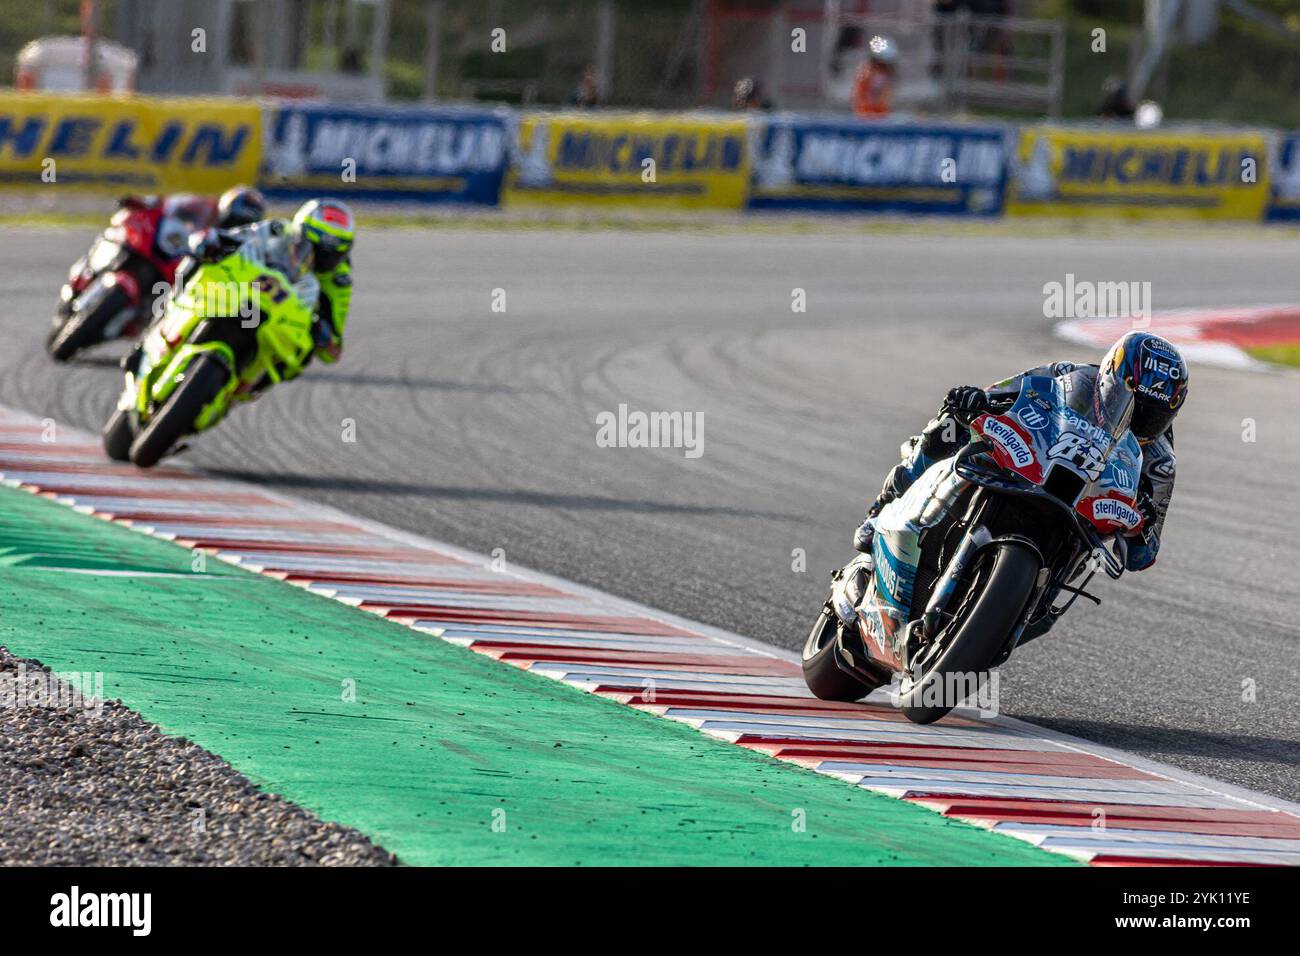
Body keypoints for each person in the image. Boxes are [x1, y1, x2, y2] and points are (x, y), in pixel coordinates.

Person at [852, 331, 1188, 573]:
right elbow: (1002, 393)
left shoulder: (1160, 463)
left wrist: (1141, 520)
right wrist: (973, 402)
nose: (1135, 419)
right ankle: (881, 509)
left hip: (1074, 527)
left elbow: (1141, 557)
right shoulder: (1069, 376)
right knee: (951, 422)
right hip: (1027, 467)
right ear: (1109, 380)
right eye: (1128, 402)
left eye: (1151, 415)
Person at [130, 198, 355, 381]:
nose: (320, 259)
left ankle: (249, 386)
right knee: (199, 259)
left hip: (286, 317)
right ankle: (157, 325)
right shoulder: (278, 230)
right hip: (246, 291)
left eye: (331, 255)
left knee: (300, 358)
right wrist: (212, 241)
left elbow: (333, 348)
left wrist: (322, 336)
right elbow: (238, 236)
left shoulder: (339, 280)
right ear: (298, 233)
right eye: (312, 247)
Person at [852, 35, 898, 118]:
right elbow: (861, 98)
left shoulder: (886, 75)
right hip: (867, 115)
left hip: (879, 115)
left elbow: (885, 99)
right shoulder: (866, 73)